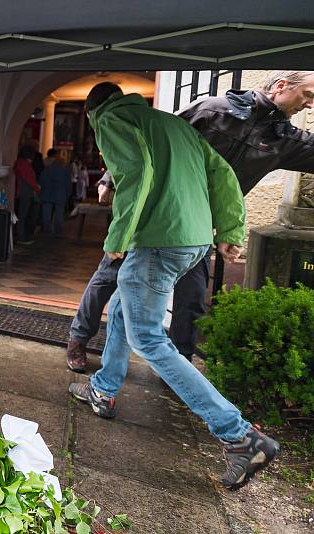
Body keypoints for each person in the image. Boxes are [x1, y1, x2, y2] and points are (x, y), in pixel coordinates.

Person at [69, 82, 279, 491]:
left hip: (159, 240)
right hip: (193, 240)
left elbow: (136, 174)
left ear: (94, 112)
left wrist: (117, 239)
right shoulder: (171, 124)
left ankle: (239, 436)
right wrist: (230, 229)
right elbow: (222, 174)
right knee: (125, 311)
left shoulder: (111, 119)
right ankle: (104, 389)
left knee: (147, 338)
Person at [66, 71, 314, 372]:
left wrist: (229, 229)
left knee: (192, 296)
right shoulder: (215, 111)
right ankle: (79, 339)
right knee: (109, 277)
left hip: (195, 228)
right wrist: (110, 178)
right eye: (309, 95)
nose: (310, 105)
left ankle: (178, 363)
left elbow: (223, 179)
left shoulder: (286, 140)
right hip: (151, 215)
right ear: (281, 86)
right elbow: (150, 139)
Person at [38, 148, 72, 237]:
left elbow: (41, 180)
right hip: (60, 194)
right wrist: (68, 194)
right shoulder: (64, 167)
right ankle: (58, 232)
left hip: (46, 193)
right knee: (59, 215)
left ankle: (46, 232)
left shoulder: (45, 165)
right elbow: (68, 182)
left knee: (46, 215)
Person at [13, 145, 41, 244]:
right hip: (25, 193)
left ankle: (21, 235)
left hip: (23, 192)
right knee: (23, 215)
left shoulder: (21, 163)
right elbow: (29, 179)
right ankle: (21, 237)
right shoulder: (24, 165)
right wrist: (37, 189)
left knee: (23, 215)